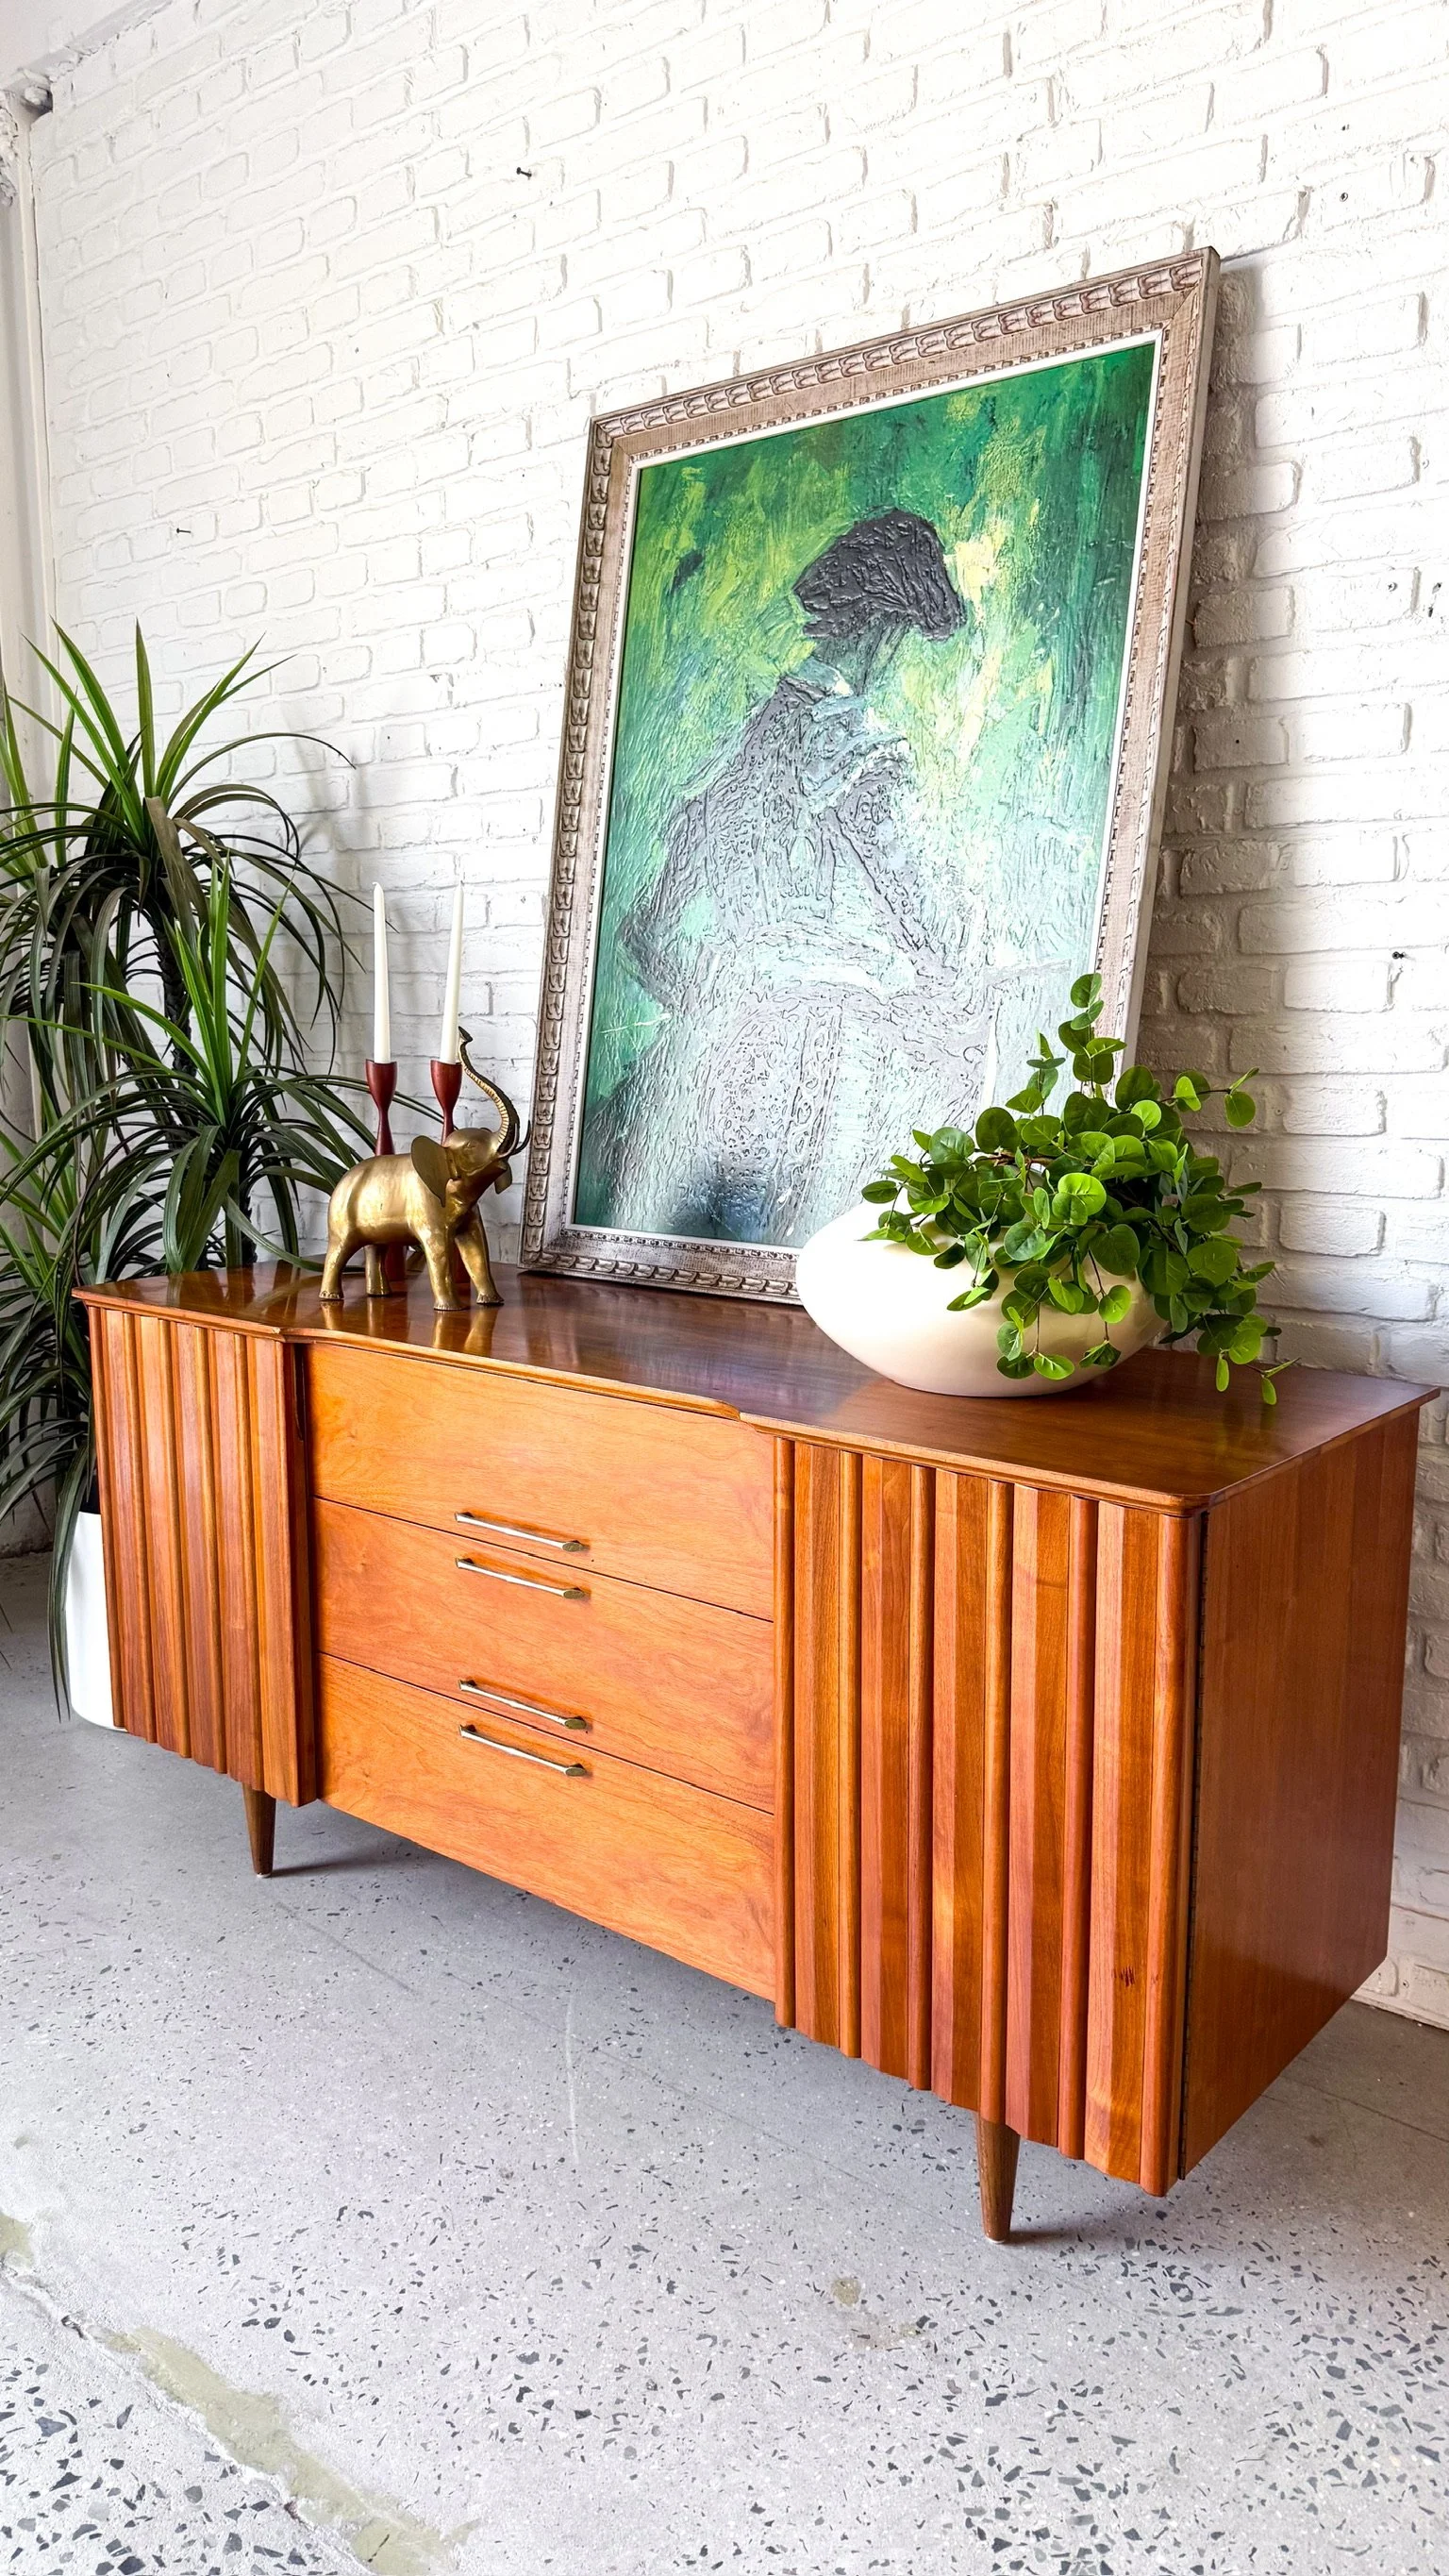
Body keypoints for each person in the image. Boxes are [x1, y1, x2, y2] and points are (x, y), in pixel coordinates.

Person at [578, 509, 991, 1246]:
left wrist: (730, 999)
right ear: (886, 629)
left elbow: (644, 933)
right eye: (900, 639)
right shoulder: (859, 752)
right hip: (829, 1082)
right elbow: (931, 941)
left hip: (706, 1077)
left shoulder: (742, 745)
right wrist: (883, 983)